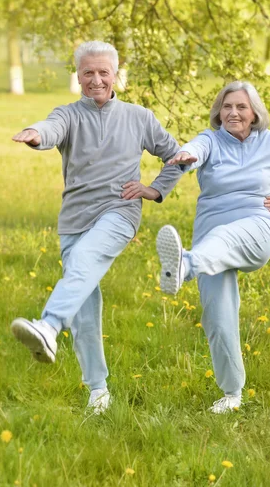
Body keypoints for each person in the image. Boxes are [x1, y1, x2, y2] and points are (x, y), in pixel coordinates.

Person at [11, 41, 183, 414]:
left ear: (115, 74)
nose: (96, 79)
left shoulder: (139, 117)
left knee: (86, 260)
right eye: (88, 72)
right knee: (85, 307)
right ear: (78, 76)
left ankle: (50, 325)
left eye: (103, 72)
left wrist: (155, 190)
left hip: (119, 212)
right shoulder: (69, 114)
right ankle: (98, 392)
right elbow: (51, 128)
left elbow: (177, 155)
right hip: (74, 219)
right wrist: (34, 133)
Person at [156, 81, 270, 414]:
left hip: (256, 226)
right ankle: (232, 393)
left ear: (254, 114)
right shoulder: (209, 140)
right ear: (219, 113)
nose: (233, 112)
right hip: (209, 236)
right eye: (227, 107)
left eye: (241, 107)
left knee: (225, 239)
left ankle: (183, 267)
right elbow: (196, 150)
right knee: (218, 317)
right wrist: (187, 156)